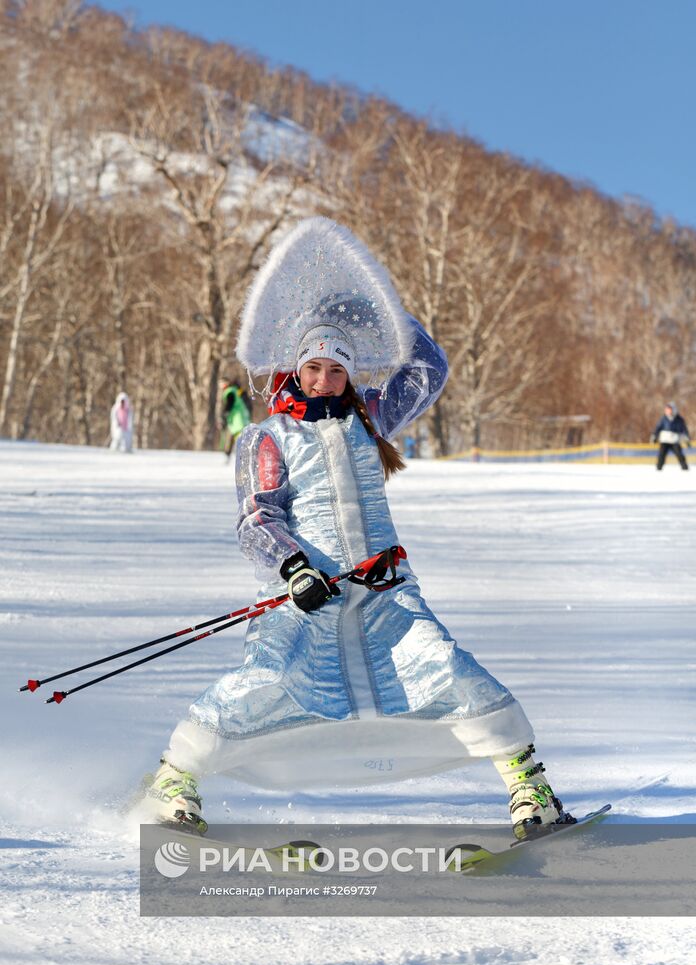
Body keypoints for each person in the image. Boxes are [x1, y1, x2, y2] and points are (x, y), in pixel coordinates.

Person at [137, 217, 575, 842]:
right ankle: (174, 780)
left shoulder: (370, 419)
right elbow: (258, 518)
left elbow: (429, 369)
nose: (324, 380)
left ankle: (529, 789)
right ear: (295, 369)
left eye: (336, 370)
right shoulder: (266, 437)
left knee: (447, 667)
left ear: (349, 376)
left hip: (386, 593)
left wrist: (380, 309)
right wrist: (293, 568)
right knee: (267, 682)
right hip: (308, 595)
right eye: (313, 368)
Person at [218, 377, 251, 461]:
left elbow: (229, 403)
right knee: (234, 436)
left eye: (221, 383)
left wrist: (225, 413)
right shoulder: (233, 390)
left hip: (237, 418)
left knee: (239, 437)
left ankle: (244, 455)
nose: (220, 385)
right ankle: (229, 454)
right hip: (238, 417)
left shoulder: (230, 391)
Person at [651, 402, 690, 470]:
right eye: (666, 409)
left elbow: (684, 430)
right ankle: (658, 469)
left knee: (680, 455)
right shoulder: (663, 418)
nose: (667, 411)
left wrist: (686, 438)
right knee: (661, 455)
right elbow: (658, 428)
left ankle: (685, 469)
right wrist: (654, 436)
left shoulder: (679, 419)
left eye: (669, 409)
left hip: (675, 441)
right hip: (665, 441)